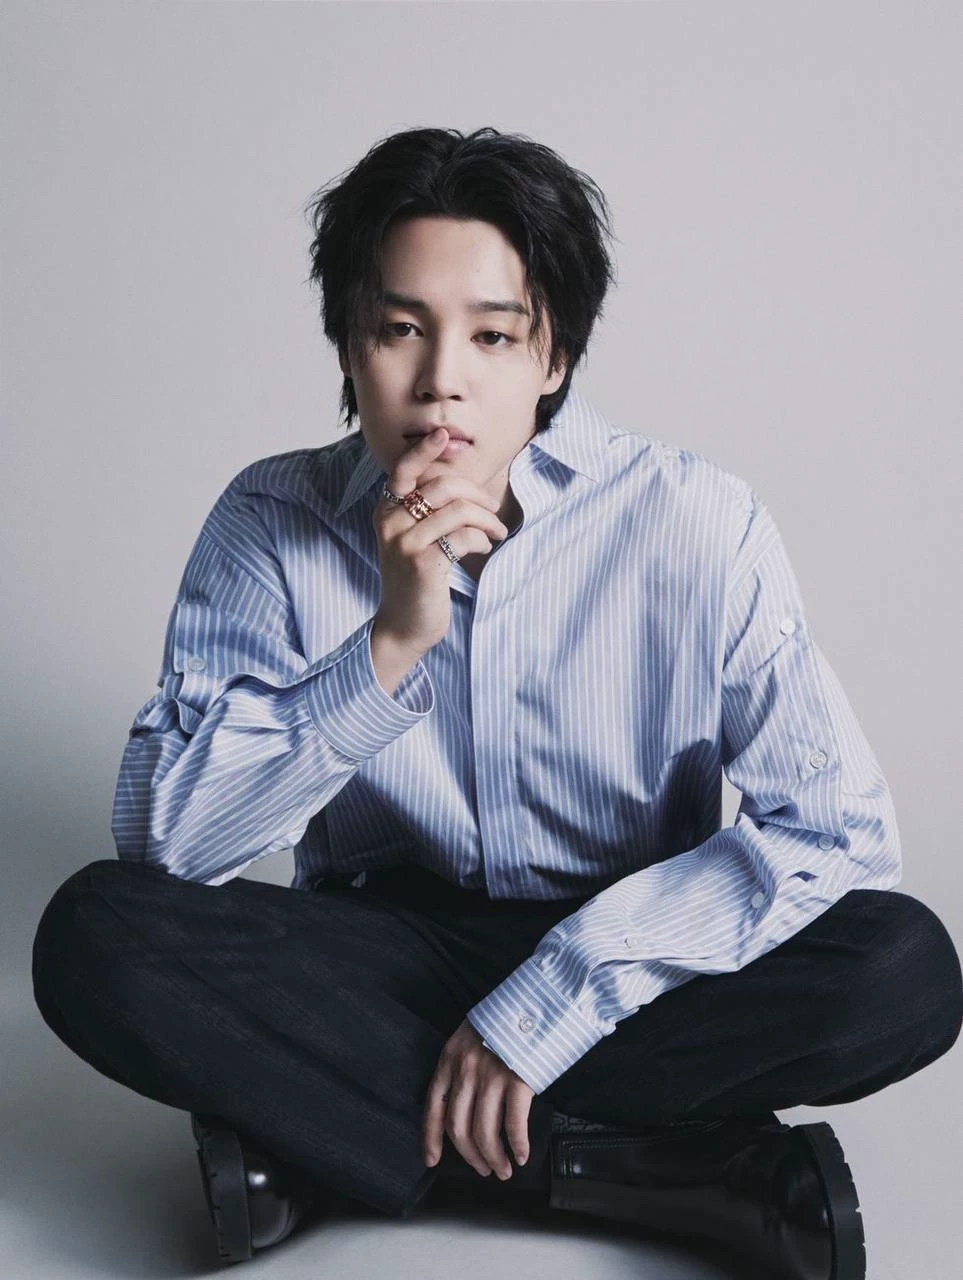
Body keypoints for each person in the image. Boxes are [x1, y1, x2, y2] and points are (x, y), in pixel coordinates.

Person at [31, 126, 962, 1280]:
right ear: (350, 342)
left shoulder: (694, 519)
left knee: (900, 964)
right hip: (385, 948)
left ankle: (336, 1147)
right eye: (399, 329)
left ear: (553, 355)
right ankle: (660, 1168)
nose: (441, 381)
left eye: (491, 334)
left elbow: (838, 829)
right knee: (96, 935)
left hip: (629, 947)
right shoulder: (271, 519)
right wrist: (388, 645)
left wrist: (554, 999)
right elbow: (169, 840)